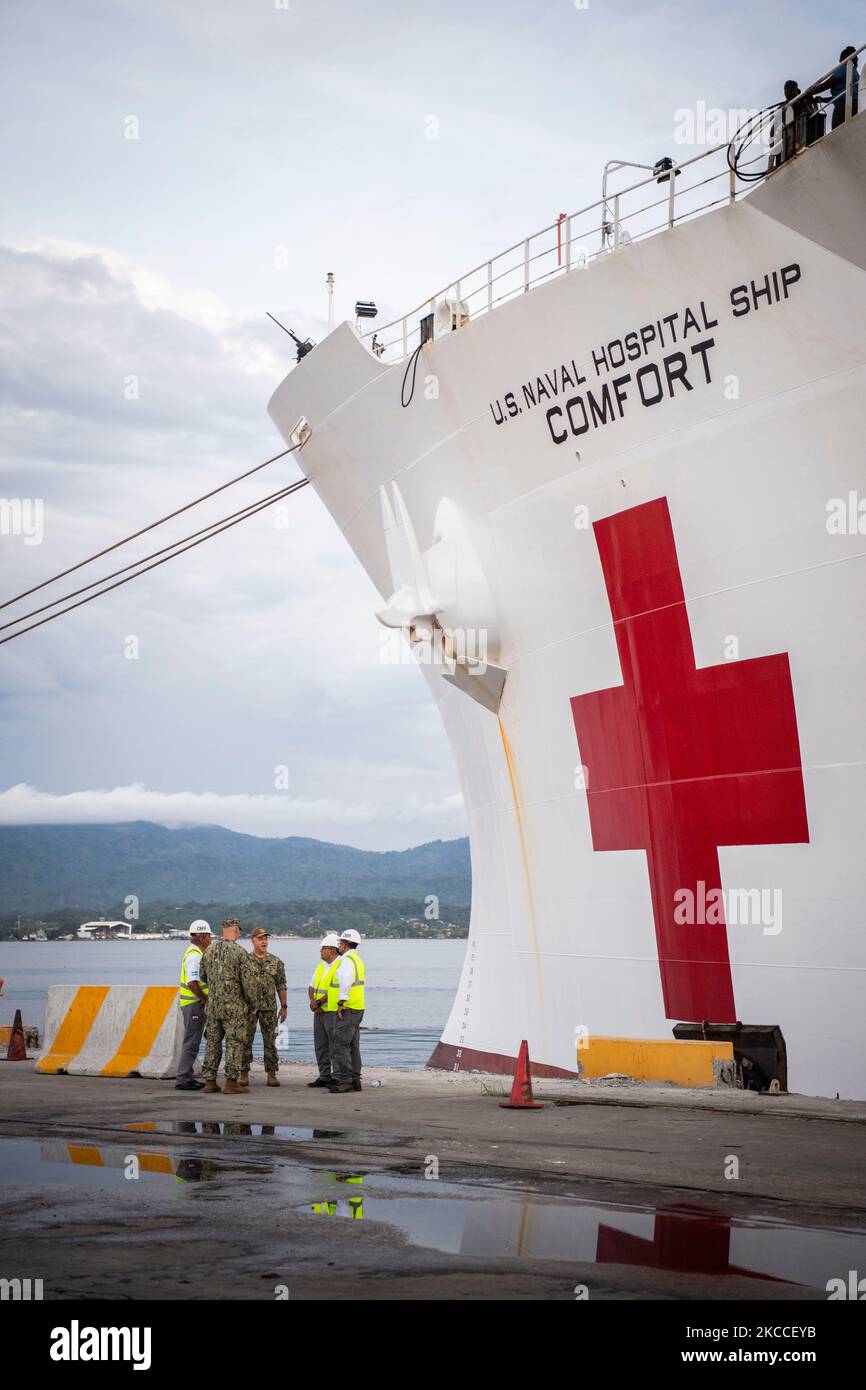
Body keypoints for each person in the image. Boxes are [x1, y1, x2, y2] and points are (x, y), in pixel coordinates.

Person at [200, 917, 256, 1094]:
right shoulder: (240, 952)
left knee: (213, 1043)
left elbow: (202, 976)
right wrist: (253, 1003)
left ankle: (210, 1081)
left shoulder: (209, 951)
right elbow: (248, 983)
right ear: (237, 931)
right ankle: (231, 1082)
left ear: (223, 930)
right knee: (234, 1043)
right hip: (234, 1009)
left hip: (213, 1006)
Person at [241, 927, 288, 1087]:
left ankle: (271, 1073)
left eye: (266, 938)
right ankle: (243, 1072)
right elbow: (238, 985)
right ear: (253, 940)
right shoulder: (244, 961)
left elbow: (281, 985)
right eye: (260, 938)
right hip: (249, 1009)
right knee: (246, 1040)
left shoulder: (276, 962)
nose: (264, 941)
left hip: (269, 1008)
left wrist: (284, 1006)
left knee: (271, 1041)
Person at [175, 919, 212, 1091]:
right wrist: (204, 998)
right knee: (191, 1041)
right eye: (208, 936)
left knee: (193, 1040)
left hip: (192, 1004)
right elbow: (193, 982)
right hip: (194, 1004)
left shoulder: (194, 952)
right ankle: (183, 1078)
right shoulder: (195, 955)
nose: (211, 939)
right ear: (201, 936)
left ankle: (186, 1075)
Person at [328, 929, 365, 1094]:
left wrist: (341, 1002)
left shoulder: (346, 960)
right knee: (353, 1045)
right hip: (358, 1007)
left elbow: (345, 981)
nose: (339, 946)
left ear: (344, 944)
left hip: (348, 1008)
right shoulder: (357, 959)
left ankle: (344, 1080)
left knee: (341, 1044)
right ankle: (355, 1079)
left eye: (340, 943)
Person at [307, 934, 342, 1088]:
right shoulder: (321, 966)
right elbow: (311, 986)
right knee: (320, 1045)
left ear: (332, 950)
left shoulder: (340, 965)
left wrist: (319, 1002)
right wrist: (313, 1002)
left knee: (334, 1046)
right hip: (319, 1012)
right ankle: (324, 1076)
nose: (320, 951)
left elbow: (337, 990)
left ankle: (336, 1076)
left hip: (331, 1012)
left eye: (323, 948)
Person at [811, 46, 860, 131]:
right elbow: (842, 94)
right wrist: (822, 99)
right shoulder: (855, 73)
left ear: (843, 59)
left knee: (837, 133)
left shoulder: (844, 68)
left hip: (843, 106)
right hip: (856, 104)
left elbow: (827, 84)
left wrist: (808, 93)